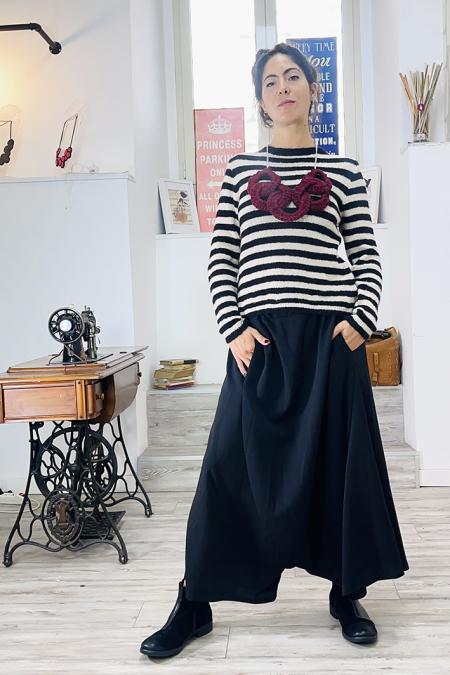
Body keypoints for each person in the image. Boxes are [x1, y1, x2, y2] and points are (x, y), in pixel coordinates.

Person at [140, 42, 409, 660]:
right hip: (259, 345)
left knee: (340, 472)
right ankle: (194, 601)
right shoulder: (240, 172)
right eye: (270, 81)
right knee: (226, 471)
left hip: (330, 343)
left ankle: (347, 593)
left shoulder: (343, 171)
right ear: (261, 101)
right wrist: (232, 327)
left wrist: (359, 322)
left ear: (313, 89)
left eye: (293, 77)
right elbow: (222, 258)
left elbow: (365, 256)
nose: (283, 87)